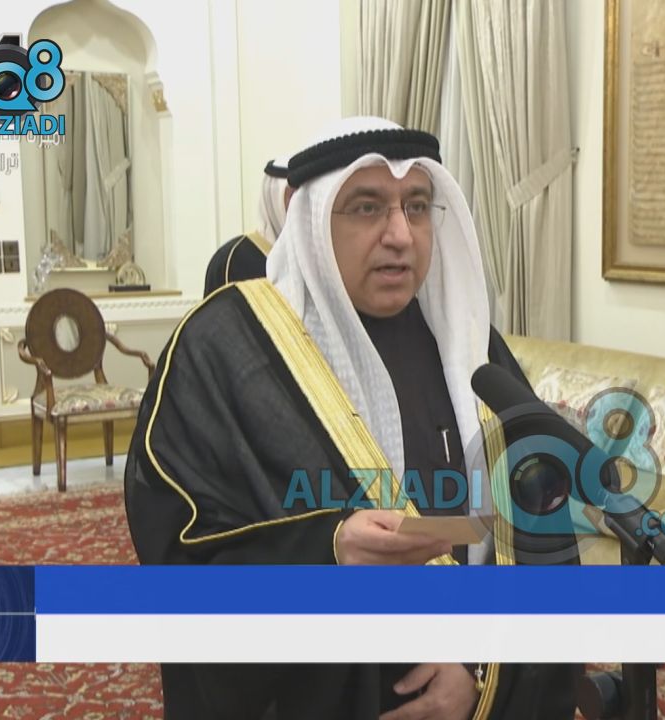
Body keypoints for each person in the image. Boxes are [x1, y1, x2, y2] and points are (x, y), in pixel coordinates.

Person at [124, 116, 579, 720]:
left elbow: (537, 531)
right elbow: (178, 546)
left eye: (417, 207)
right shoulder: (223, 348)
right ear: (310, 219)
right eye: (367, 208)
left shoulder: (470, 346)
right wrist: (327, 550)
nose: (400, 235)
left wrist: (482, 675)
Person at [202, 156, 296, 295]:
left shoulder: (313, 257)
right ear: (273, 198)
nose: (298, 205)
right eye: (292, 196)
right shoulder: (231, 259)